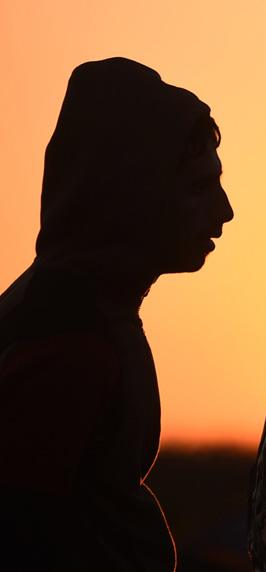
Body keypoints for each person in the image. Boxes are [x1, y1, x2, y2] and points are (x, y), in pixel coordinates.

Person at [0, 58, 233, 571]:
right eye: (199, 187)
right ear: (133, 191)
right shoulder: (68, 340)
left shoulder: (81, 311)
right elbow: (25, 538)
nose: (225, 210)